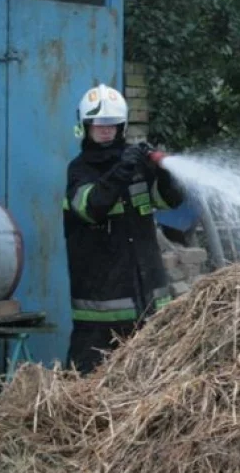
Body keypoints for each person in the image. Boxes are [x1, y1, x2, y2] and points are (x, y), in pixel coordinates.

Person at [62, 84, 183, 374]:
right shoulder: (79, 171)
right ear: (85, 126)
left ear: (122, 126)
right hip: (102, 315)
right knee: (86, 389)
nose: (106, 130)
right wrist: (122, 169)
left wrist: (166, 175)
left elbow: (169, 201)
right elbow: (93, 208)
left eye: (112, 125)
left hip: (150, 305)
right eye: (99, 125)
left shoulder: (136, 164)